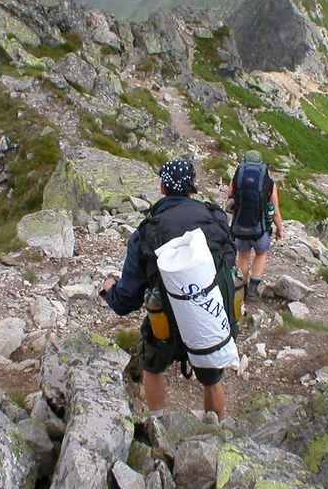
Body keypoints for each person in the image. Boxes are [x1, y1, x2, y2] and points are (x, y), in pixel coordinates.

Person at [100, 159, 237, 420]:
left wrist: (109, 290)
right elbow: (228, 264)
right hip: (208, 315)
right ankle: (214, 430)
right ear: (192, 186)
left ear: (162, 187)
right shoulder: (214, 216)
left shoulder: (147, 230)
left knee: (152, 365)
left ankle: (157, 423)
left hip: (166, 319)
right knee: (212, 378)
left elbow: (127, 298)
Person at [226, 150, 283, 297]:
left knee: (243, 257)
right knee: (261, 253)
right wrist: (279, 229)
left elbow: (229, 195)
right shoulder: (269, 183)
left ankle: (242, 288)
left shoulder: (237, 178)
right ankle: (253, 286)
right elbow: (275, 211)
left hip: (240, 226)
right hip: (260, 229)